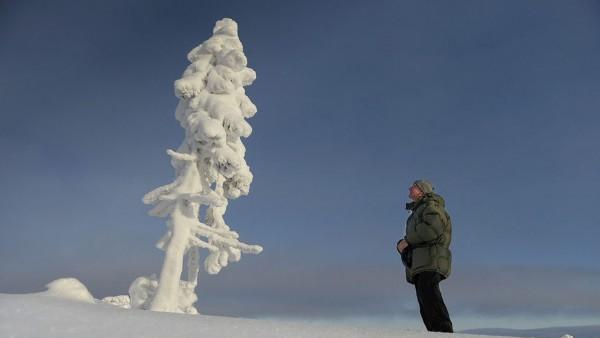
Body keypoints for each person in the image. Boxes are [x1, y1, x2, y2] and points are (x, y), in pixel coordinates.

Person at [396, 179, 453, 333]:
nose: (409, 188)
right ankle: (436, 333)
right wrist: (403, 245)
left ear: (422, 190)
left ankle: (444, 333)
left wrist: (406, 241)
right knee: (425, 300)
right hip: (422, 261)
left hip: (431, 259)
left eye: (413, 187)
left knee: (430, 297)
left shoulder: (431, 206)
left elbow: (431, 230)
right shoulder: (418, 210)